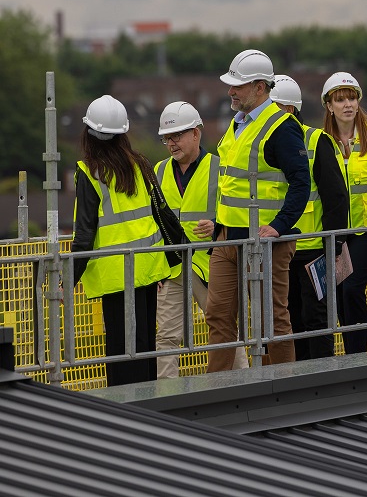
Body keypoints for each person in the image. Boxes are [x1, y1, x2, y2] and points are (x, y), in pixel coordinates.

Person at [205, 49, 311, 372]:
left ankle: (281, 387)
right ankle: (218, 390)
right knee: (219, 314)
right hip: (228, 241)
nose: (231, 91)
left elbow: (301, 183)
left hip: (266, 243)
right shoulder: (237, 125)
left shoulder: (281, 126)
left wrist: (279, 225)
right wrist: (217, 223)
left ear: (260, 88)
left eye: (238, 85)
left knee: (272, 320)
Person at [71, 95, 170, 386]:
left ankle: (125, 414)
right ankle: (150, 410)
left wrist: (67, 277)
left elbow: (84, 235)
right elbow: (159, 216)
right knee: (145, 347)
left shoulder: (91, 172)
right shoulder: (141, 164)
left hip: (116, 277)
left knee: (121, 352)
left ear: (89, 134)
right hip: (148, 271)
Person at [153, 101, 247, 377]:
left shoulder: (220, 169)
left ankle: (243, 384)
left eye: (177, 135)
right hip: (171, 267)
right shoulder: (158, 172)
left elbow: (237, 212)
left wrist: (218, 224)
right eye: (167, 138)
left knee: (224, 331)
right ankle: (166, 396)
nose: (171, 143)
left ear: (196, 133)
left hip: (209, 265)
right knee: (167, 337)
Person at [270, 75, 349, 360]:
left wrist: (334, 245)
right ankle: (299, 377)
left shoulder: (316, 141)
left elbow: (336, 198)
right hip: (281, 250)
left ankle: (321, 378)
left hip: (314, 251)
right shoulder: (268, 143)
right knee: (289, 320)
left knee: (317, 320)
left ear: (289, 110)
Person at [320, 71, 367, 354]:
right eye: (340, 99)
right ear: (329, 106)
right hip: (338, 234)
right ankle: (351, 352)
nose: (348, 104)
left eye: (352, 98)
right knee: (337, 293)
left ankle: (358, 353)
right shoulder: (321, 142)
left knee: (351, 289)